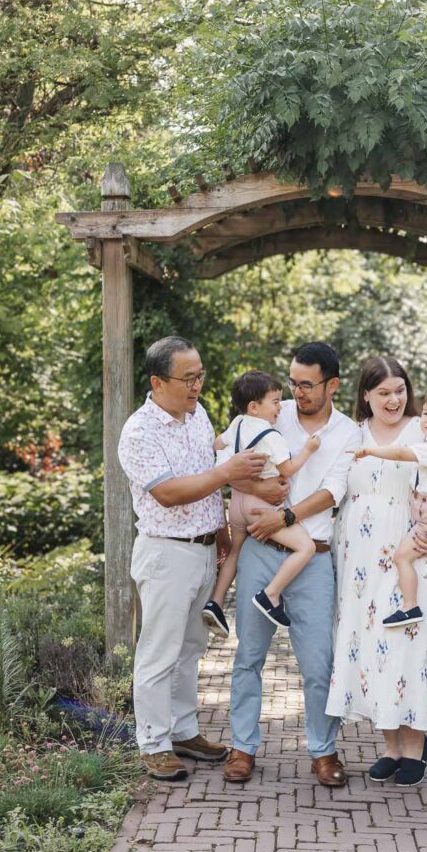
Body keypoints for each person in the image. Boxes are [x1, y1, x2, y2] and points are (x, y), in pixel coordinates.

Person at [117, 336, 268, 782]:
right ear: (157, 381)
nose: (197, 385)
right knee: (159, 653)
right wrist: (227, 472)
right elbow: (168, 493)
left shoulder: (197, 415)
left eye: (199, 376)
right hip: (166, 552)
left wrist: (221, 534)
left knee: (190, 650)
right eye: (188, 378)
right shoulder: (139, 431)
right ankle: (154, 742)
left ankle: (184, 731)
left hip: (203, 549)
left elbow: (207, 483)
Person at [224, 342, 362, 788]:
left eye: (307, 385)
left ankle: (323, 751)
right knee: (248, 656)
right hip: (260, 554)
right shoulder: (269, 412)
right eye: (293, 383)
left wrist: (283, 515)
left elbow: (333, 491)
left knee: (319, 663)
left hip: (315, 557)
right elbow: (232, 462)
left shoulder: (349, 433)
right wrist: (255, 493)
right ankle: (242, 746)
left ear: (332, 384)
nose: (296, 393)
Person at [326, 356, 427, 788]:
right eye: (383, 392)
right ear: (365, 394)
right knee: (370, 646)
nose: (393, 399)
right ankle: (390, 745)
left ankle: (416, 740)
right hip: (360, 558)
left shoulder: (425, 433)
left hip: (414, 553)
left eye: (399, 390)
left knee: (410, 646)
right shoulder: (351, 433)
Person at [202, 370, 320, 636]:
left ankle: (216, 602)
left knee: (235, 552)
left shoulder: (238, 424)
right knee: (306, 547)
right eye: (275, 401)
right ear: (255, 406)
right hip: (260, 507)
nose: (281, 407)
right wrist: (309, 451)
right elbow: (288, 469)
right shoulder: (271, 435)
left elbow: (216, 444)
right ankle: (271, 594)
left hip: (237, 504)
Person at [350, 388, 427, 628]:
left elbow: (401, 452)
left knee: (402, 557)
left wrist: (370, 451)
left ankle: (409, 606)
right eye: (426, 413)